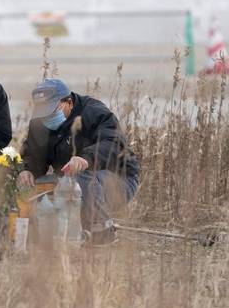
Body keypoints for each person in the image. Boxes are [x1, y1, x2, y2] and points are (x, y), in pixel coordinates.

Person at [19, 78, 140, 245]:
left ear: (69, 102)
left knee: (84, 178)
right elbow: (33, 154)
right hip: (68, 183)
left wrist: (86, 159)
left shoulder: (94, 112)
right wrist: (28, 170)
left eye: (52, 111)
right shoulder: (39, 122)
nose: (47, 118)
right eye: (43, 113)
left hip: (117, 181)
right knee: (30, 185)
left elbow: (115, 144)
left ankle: (102, 231)